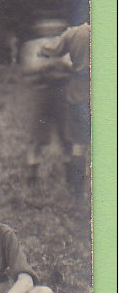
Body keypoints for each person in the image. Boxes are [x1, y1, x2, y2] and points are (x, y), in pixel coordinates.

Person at [19, 16, 72, 186]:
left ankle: (71, 177)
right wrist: (50, 65)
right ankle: (32, 177)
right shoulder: (31, 45)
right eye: (45, 22)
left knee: (67, 135)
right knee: (37, 135)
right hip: (40, 92)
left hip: (64, 92)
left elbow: (73, 64)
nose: (50, 26)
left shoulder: (68, 42)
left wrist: (53, 63)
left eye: (54, 22)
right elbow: (29, 67)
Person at [39, 22, 91, 197]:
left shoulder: (74, 33)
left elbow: (52, 51)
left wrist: (42, 49)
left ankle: (77, 195)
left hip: (79, 91)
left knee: (79, 144)